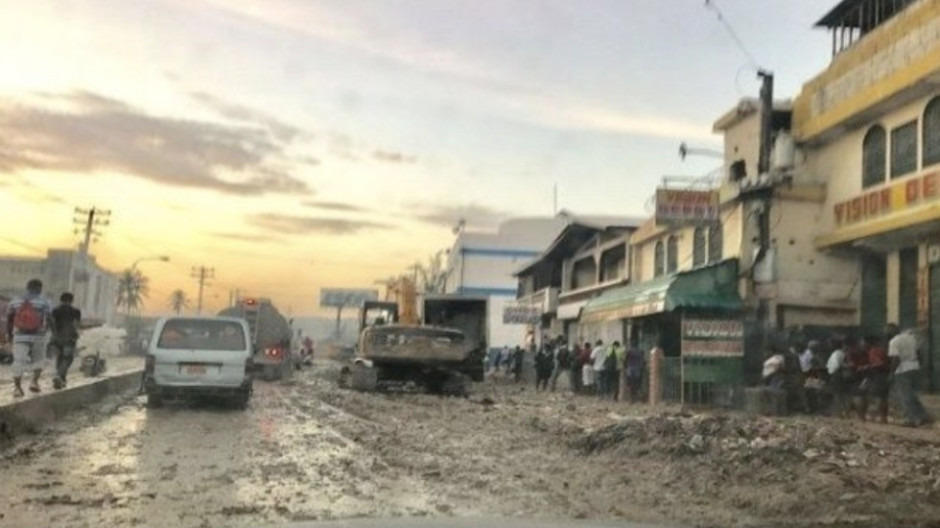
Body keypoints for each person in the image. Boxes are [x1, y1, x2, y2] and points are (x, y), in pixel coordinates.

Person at [6, 279, 53, 398]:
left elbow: (9, 319)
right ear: (39, 288)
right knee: (39, 360)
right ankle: (34, 382)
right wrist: (46, 330)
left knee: (18, 362)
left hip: (20, 336)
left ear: (27, 287)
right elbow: (49, 319)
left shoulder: (15, 301)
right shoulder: (44, 302)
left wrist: (10, 334)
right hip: (38, 336)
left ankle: (17, 388)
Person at [887, 324, 932, 427]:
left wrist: (891, 373)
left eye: (888, 331)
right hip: (914, 366)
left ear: (892, 331)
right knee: (912, 395)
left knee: (905, 396)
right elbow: (919, 353)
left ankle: (913, 419)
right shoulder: (911, 338)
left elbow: (895, 359)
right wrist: (919, 365)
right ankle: (923, 416)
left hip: (902, 369)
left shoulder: (893, 342)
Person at [49, 292, 82, 389]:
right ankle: (59, 375)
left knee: (59, 357)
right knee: (68, 358)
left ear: (61, 300)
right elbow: (76, 324)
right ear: (71, 301)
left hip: (57, 337)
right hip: (69, 338)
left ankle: (62, 379)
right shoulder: (75, 311)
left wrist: (54, 335)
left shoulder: (55, 310)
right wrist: (75, 334)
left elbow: (52, 323)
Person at [858, 335, 889, 424]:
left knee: (878, 396)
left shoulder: (874, 351)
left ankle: (879, 418)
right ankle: (883, 418)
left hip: (878, 375)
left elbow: (880, 363)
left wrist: (866, 367)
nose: (861, 344)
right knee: (883, 397)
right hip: (883, 375)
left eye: (863, 342)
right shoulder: (881, 349)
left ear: (868, 343)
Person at [825, 336, 850, 416]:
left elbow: (836, 365)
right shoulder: (841, 353)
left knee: (838, 394)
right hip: (838, 374)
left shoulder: (836, 353)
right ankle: (844, 410)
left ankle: (841, 411)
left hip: (837, 374)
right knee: (841, 394)